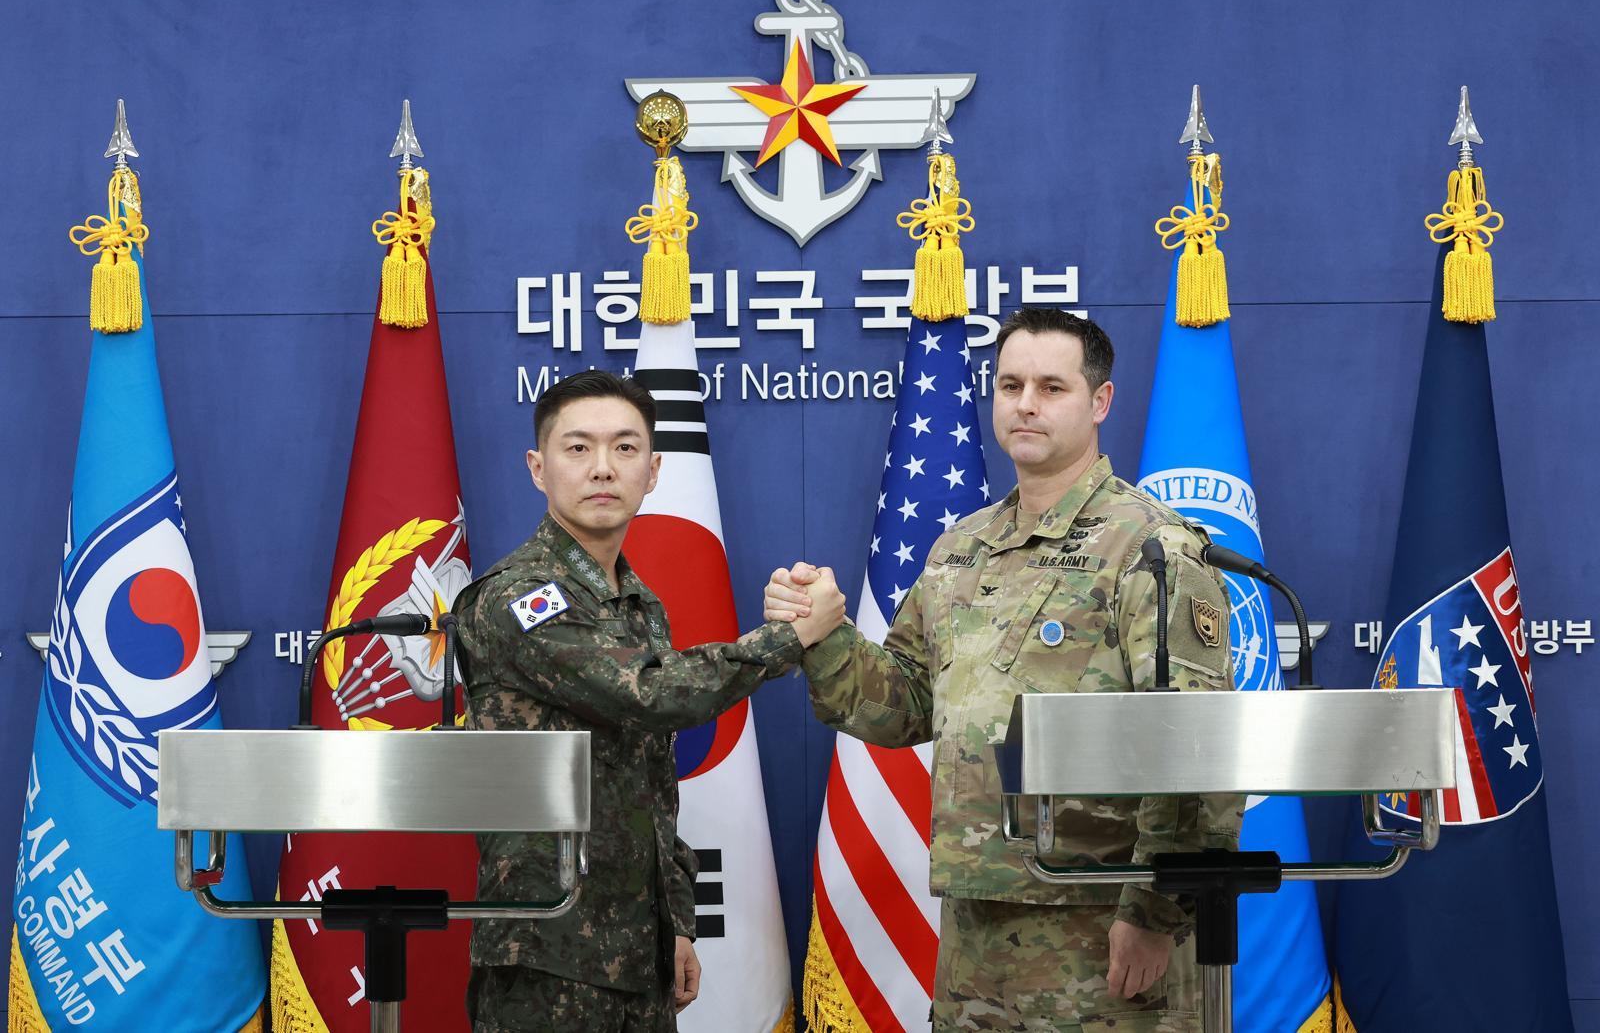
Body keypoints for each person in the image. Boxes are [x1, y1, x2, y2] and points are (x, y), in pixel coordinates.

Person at [765, 308, 1245, 1031]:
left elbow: (1196, 743)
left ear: (1100, 402)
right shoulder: (961, 548)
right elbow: (907, 704)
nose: (1025, 404)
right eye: (1011, 385)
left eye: (1052, 387)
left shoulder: (1150, 547)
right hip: (976, 927)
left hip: (1102, 927)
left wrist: (1156, 910)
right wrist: (825, 635)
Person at [453, 370, 844, 1032]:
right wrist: (789, 637)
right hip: (549, 950)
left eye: (625, 448)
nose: (603, 467)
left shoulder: (637, 603)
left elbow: (650, 783)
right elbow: (649, 693)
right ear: (538, 468)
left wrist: (676, 922)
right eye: (578, 448)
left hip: (639, 952)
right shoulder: (519, 595)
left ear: (654, 471)